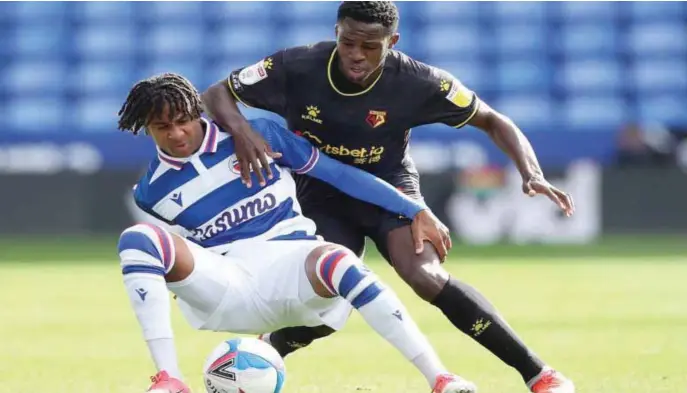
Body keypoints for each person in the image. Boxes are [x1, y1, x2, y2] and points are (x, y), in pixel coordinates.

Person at [201, 2, 576, 393]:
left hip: (390, 190)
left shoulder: (419, 81)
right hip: (320, 194)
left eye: (370, 46)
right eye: (347, 43)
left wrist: (531, 174)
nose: (356, 55)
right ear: (336, 32)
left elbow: (493, 119)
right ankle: (264, 355)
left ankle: (539, 374)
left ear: (392, 42)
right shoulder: (297, 66)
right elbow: (217, 94)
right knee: (327, 297)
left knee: (425, 276)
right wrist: (243, 133)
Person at [116, 72, 477, 393]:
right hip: (229, 288)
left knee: (338, 260)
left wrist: (413, 208)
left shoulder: (260, 135)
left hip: (292, 267)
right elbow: (179, 252)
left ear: (198, 112)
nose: (177, 133)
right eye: (163, 127)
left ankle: (440, 379)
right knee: (138, 238)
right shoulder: (151, 192)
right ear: (145, 128)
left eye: (183, 121)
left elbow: (339, 174)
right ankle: (169, 380)